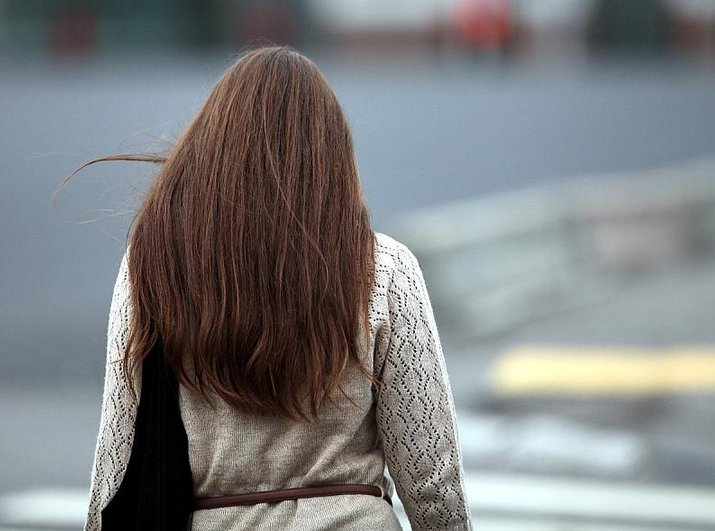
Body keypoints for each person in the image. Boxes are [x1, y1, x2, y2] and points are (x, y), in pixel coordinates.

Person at [73, 46, 473, 530]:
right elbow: (432, 478)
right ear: (331, 158)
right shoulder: (383, 268)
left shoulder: (155, 266)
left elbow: (116, 460)